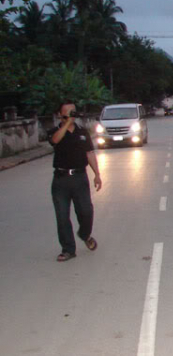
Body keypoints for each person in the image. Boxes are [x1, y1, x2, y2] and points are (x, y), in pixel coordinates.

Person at [48, 101, 102, 262]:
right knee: (62, 217)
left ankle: (85, 234)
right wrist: (66, 124)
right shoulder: (54, 131)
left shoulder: (82, 132)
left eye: (74, 111)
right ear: (60, 114)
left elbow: (90, 154)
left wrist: (97, 174)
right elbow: (54, 141)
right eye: (68, 111)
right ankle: (68, 249)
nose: (72, 114)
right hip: (60, 180)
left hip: (80, 178)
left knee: (86, 211)